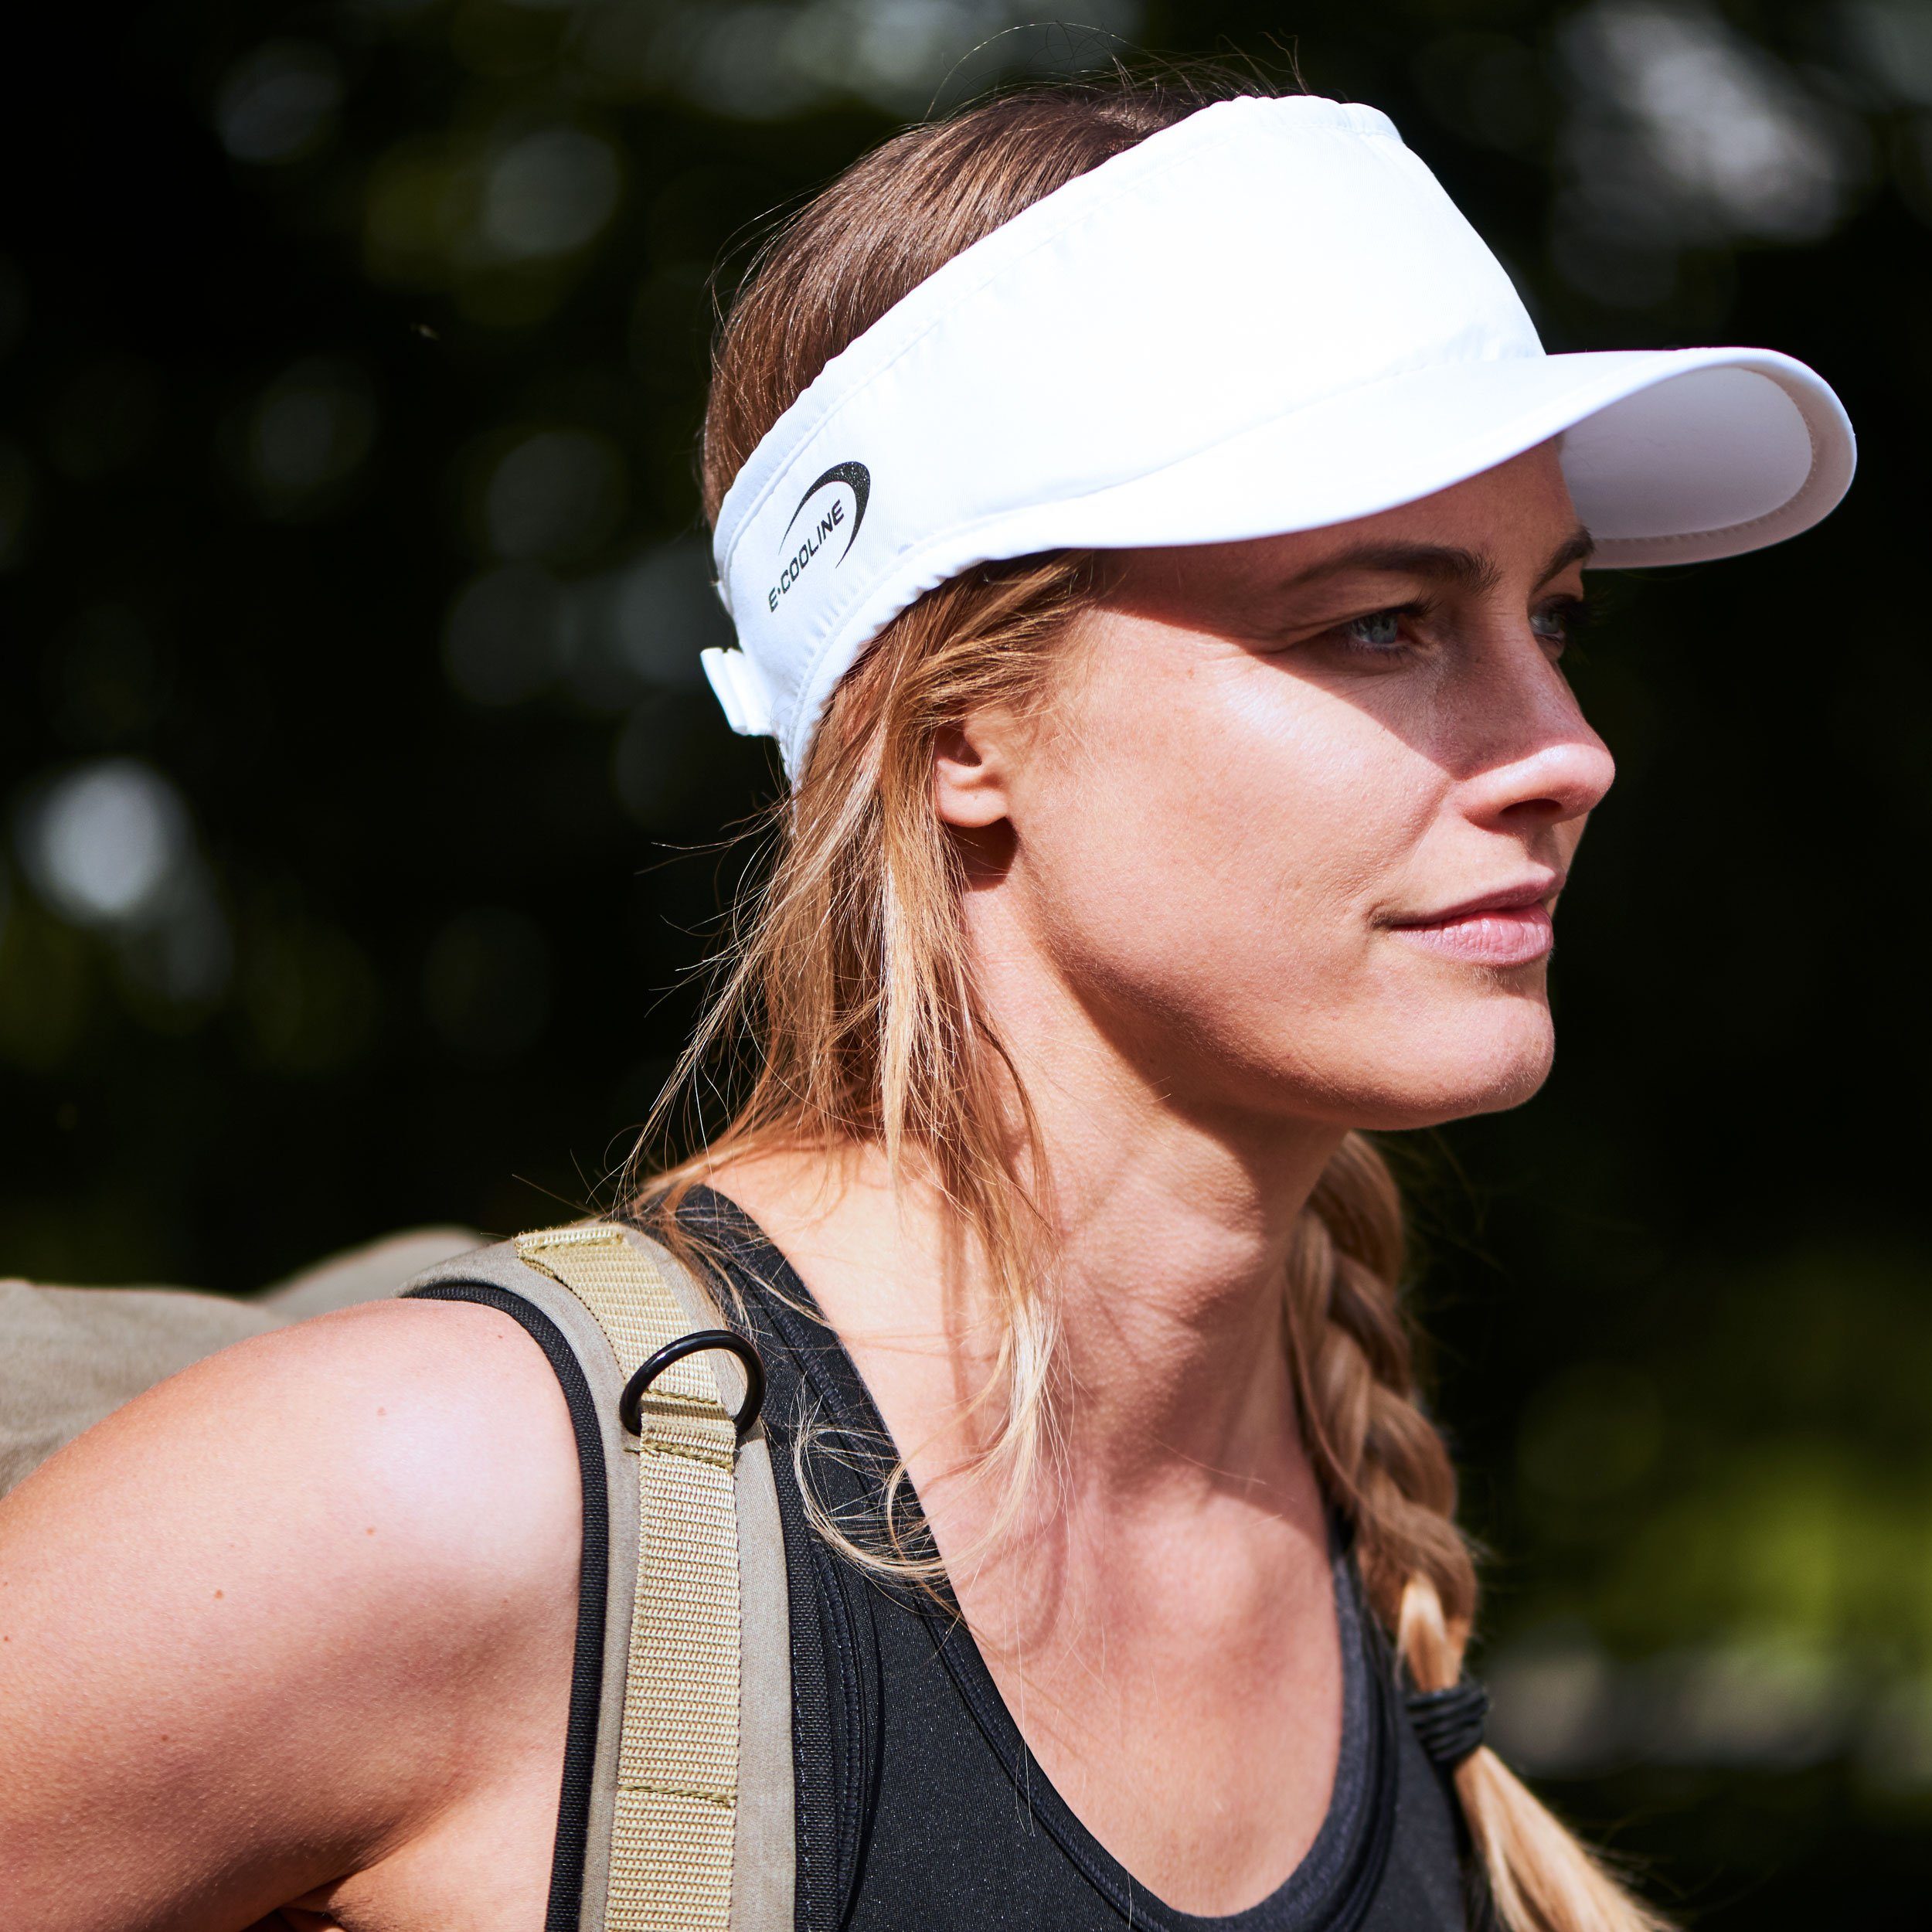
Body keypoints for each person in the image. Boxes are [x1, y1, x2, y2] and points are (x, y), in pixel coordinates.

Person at [0, 73, 1853, 1932]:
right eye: (1378, 620)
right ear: (959, 732)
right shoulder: (444, 1496)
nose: (1566, 751)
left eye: (1557, 618)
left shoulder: (1329, 1514)